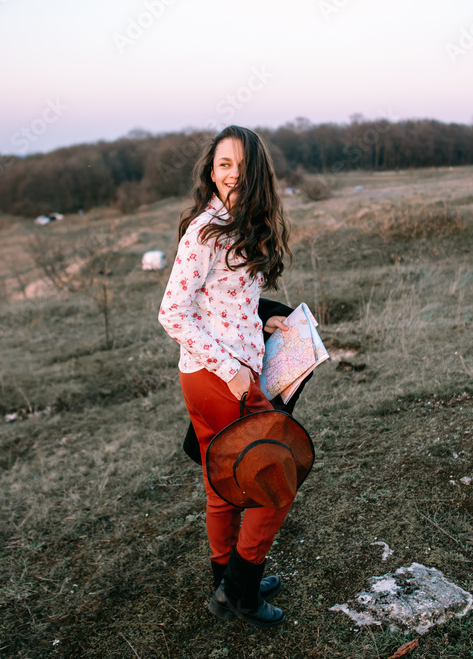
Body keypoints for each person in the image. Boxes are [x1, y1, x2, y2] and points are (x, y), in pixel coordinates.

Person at [157, 125, 295, 627]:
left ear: (256, 170)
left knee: (223, 483)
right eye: (222, 164)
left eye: (239, 164)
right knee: (274, 477)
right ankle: (238, 592)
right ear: (210, 171)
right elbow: (173, 313)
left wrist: (264, 316)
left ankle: (226, 577)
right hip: (220, 380)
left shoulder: (242, 224)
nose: (230, 174)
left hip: (222, 372)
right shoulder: (205, 231)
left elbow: (223, 303)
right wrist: (231, 370)